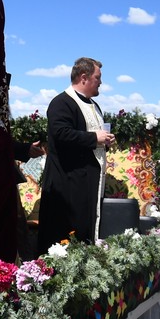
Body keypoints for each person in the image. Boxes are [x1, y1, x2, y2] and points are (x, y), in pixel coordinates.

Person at [36, 57, 116, 251]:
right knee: (66, 235)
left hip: (87, 183)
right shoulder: (61, 102)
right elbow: (61, 134)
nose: (101, 83)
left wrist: (105, 140)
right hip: (67, 185)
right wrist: (94, 138)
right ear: (84, 77)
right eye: (98, 78)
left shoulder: (94, 106)